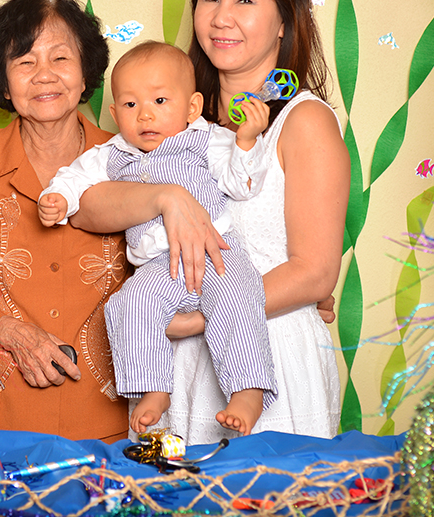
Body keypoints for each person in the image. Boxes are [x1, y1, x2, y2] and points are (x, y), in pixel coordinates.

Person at [71, 0, 348, 443]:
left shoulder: (305, 121)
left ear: (286, 18)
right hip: (176, 371)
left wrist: (194, 320)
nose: (222, 17)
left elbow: (314, 273)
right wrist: (165, 197)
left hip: (270, 359)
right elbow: (86, 205)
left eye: (244, 0)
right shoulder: (171, 116)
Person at [39, 41, 276, 436]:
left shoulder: (207, 140)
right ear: (115, 114)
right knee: (128, 305)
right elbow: (76, 178)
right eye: (130, 106)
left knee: (239, 298)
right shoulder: (114, 153)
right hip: (157, 267)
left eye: (160, 100)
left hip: (215, 255)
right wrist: (58, 199)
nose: (145, 114)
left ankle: (248, 389)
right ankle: (152, 388)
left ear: (192, 108)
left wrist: (247, 141)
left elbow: (242, 183)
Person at [0, 0, 131, 442]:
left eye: (60, 57)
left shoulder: (131, 158)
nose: (44, 75)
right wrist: (8, 331)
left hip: (120, 416)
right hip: (1, 418)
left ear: (86, 70)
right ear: (3, 84)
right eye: (24, 62)